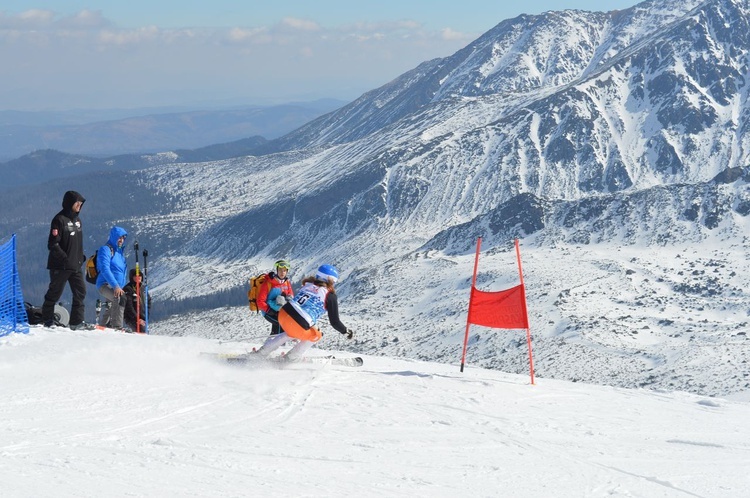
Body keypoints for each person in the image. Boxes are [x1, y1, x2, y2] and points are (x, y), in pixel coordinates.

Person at [254, 264, 354, 361]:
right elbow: (335, 322)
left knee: (290, 332)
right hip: (300, 321)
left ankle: (262, 352)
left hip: (284, 313)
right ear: (330, 280)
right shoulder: (330, 295)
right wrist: (346, 332)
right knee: (317, 335)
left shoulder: (308, 284)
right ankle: (290, 358)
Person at [42, 190, 93, 330]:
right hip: (60, 266)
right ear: (70, 203)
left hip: (75, 266)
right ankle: (47, 320)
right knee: (54, 293)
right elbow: (52, 244)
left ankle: (76, 323)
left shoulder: (78, 221)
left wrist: (80, 257)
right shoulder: (59, 220)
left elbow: (77, 242)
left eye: (81, 203)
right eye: (77, 203)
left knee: (80, 292)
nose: (79, 205)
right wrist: (65, 259)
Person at [95, 226, 129, 330]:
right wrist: (116, 286)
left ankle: (102, 326)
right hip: (105, 284)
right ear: (114, 237)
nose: (121, 240)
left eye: (123, 238)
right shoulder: (106, 249)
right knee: (119, 298)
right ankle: (117, 327)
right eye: (119, 237)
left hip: (117, 286)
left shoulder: (119, 252)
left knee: (111, 307)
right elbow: (105, 269)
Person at [256, 259, 294, 336]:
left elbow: (291, 296)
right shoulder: (268, 283)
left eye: (284, 270)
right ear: (277, 270)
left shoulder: (286, 283)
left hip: (280, 311)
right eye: (280, 270)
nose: (282, 272)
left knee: (276, 331)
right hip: (268, 312)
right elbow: (260, 301)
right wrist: (269, 310)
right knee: (281, 324)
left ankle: (269, 346)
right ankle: (279, 346)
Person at [123, 268, 151, 332]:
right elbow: (129, 306)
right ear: (132, 277)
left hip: (142, 318)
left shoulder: (143, 288)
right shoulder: (128, 289)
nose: (138, 277)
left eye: (140, 276)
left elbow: (148, 301)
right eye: (135, 276)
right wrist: (137, 319)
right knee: (141, 332)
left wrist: (146, 316)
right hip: (132, 318)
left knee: (145, 332)